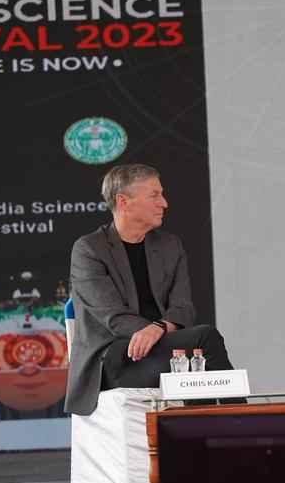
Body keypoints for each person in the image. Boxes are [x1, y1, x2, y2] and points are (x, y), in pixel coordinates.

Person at [65, 164, 233, 415]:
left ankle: (216, 426)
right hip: (115, 358)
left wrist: (159, 328)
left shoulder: (169, 245)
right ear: (123, 202)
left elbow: (183, 308)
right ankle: (240, 424)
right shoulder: (89, 249)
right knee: (204, 339)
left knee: (199, 358)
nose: (164, 203)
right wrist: (156, 330)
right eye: (154, 195)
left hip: (163, 347)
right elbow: (113, 317)